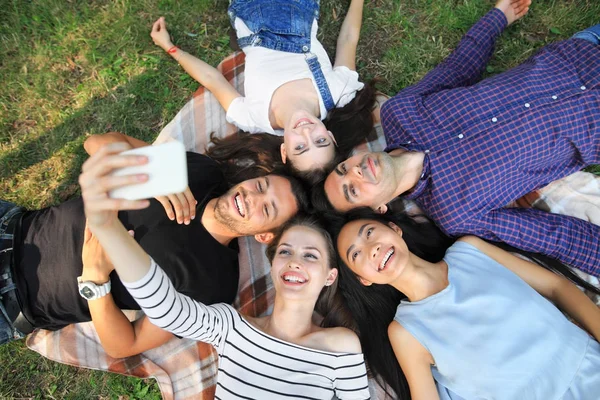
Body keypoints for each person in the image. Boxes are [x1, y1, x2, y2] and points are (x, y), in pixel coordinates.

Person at [317, 0, 600, 277]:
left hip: (580, 54)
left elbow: (459, 67)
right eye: (352, 190)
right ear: (380, 209)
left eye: (343, 169)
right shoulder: (457, 213)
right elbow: (552, 236)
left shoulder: (399, 113)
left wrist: (499, 15)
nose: (354, 172)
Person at [78, 143, 371, 399]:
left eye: (311, 255)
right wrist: (107, 229)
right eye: (286, 251)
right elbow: (165, 306)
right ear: (273, 266)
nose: (295, 261)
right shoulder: (230, 326)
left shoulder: (341, 345)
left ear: (329, 276)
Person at [0, 136, 307, 356]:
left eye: (267, 210)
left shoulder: (213, 287)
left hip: (14, 301)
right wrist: (153, 173)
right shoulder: (202, 173)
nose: (252, 198)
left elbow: (125, 345)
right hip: (12, 226)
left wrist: (95, 279)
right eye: (261, 186)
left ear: (265, 235)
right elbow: (95, 144)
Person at [333, 209, 600, 399]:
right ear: (364, 280)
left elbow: (557, 287)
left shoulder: (469, 249)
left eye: (369, 233)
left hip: (588, 365)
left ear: (394, 228)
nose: (372, 249)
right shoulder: (404, 332)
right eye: (356, 254)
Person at [150, 0, 376, 176]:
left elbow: (212, 79)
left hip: (249, 9)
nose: (306, 132)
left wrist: (169, 47)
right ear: (330, 136)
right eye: (319, 141)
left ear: (284, 151)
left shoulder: (253, 118)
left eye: (300, 147)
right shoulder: (339, 92)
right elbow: (348, 39)